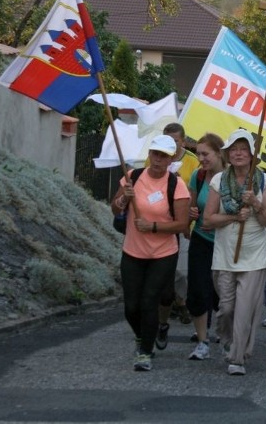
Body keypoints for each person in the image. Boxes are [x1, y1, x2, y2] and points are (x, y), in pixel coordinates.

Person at [111, 134, 190, 371]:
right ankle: (142, 335)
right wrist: (124, 198)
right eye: (155, 154)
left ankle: (145, 351)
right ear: (149, 155)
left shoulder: (176, 185)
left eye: (163, 156)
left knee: (149, 301)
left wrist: (154, 226)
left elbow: (182, 224)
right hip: (133, 251)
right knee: (131, 306)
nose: (158, 160)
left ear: (171, 159)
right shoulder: (133, 177)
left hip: (163, 253)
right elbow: (114, 208)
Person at [203, 129, 266, 376]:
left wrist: (255, 204)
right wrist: (234, 216)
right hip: (224, 255)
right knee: (226, 309)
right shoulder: (218, 181)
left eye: (243, 149)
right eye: (233, 149)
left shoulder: (265, 181)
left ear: (252, 153)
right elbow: (208, 220)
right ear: (227, 154)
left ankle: (238, 357)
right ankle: (226, 339)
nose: (238, 153)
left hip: (254, 255)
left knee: (245, 310)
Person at [151, 123, 201, 351]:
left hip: (183, 223)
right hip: (159, 225)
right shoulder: (155, 158)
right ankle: (172, 306)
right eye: (167, 140)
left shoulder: (192, 161)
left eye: (175, 141)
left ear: (183, 141)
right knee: (161, 276)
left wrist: (179, 182)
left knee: (182, 271)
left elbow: (198, 190)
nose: (170, 145)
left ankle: (180, 301)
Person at [185, 133, 225, 361]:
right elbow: (192, 205)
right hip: (201, 238)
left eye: (205, 154)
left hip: (225, 241)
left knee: (223, 293)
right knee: (198, 290)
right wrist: (191, 214)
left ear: (219, 153)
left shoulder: (232, 177)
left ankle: (225, 331)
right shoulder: (198, 176)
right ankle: (202, 341)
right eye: (199, 153)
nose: (201, 158)